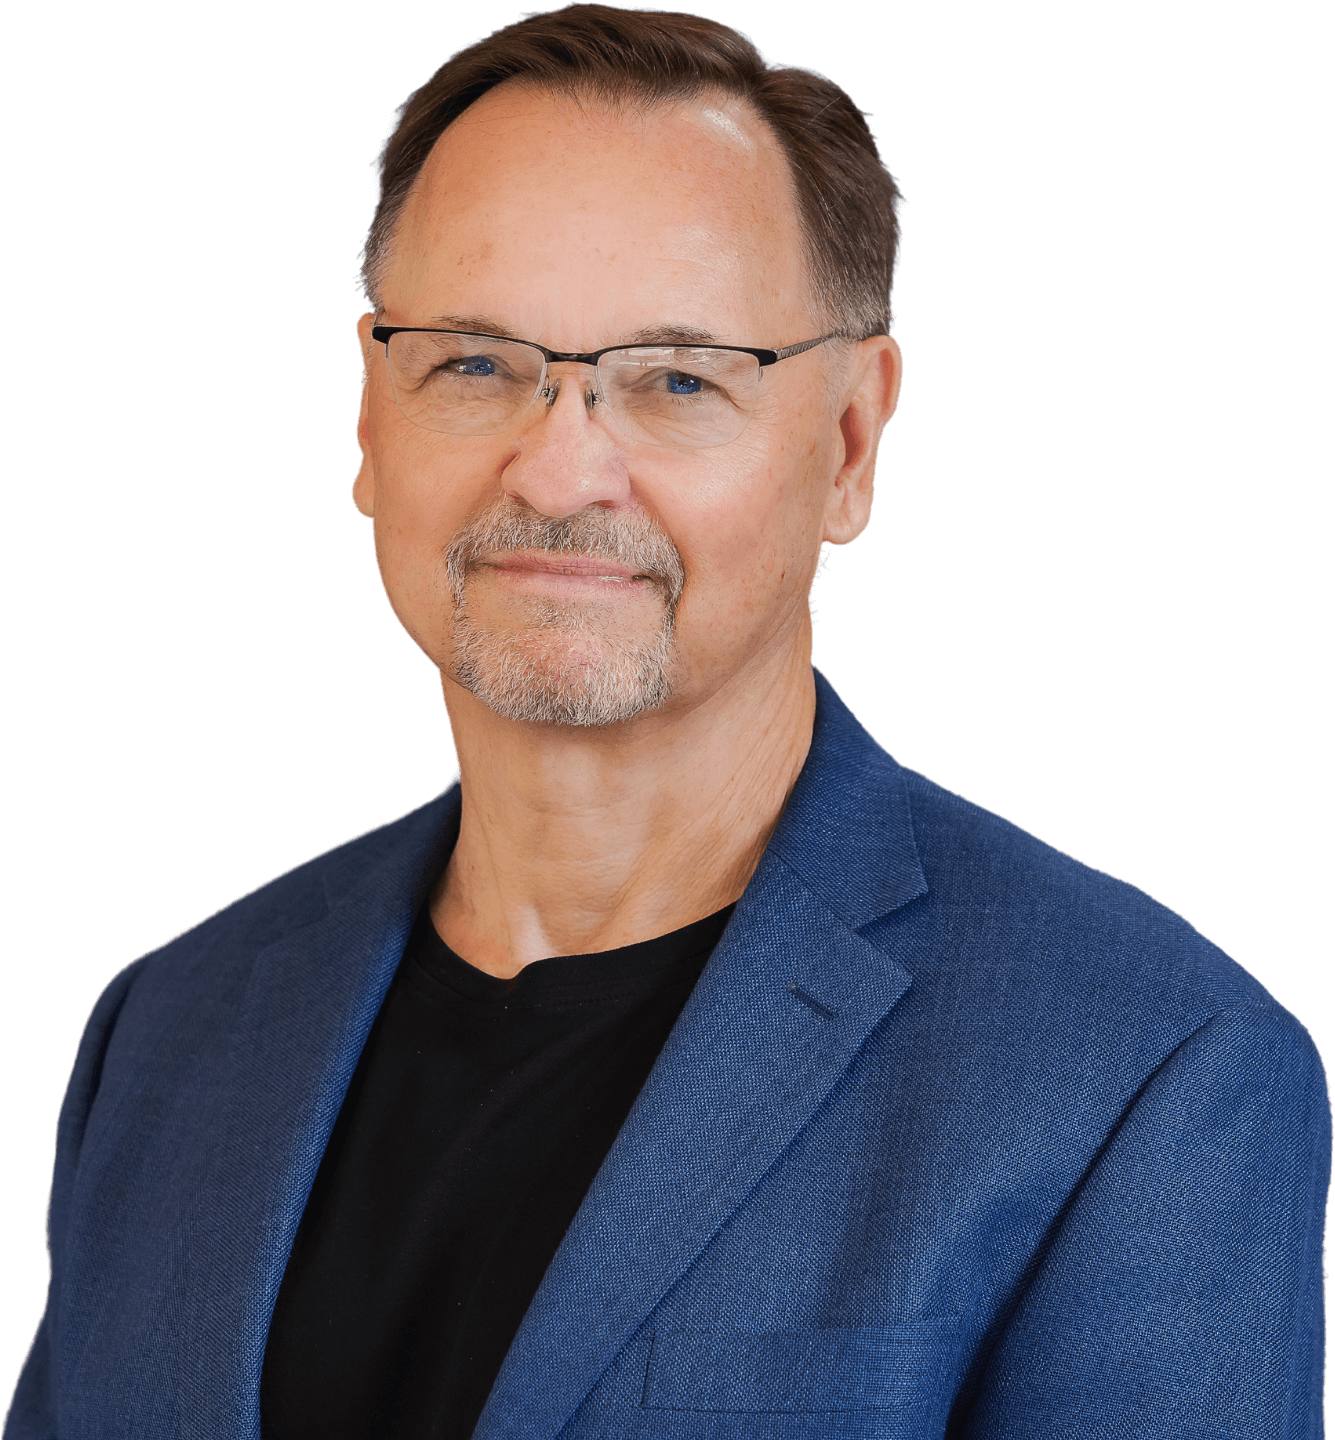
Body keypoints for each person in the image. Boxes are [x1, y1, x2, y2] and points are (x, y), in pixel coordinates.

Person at [8, 7, 1328, 1438]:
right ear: (370, 420)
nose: (562, 467)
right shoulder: (167, 1029)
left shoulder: (1144, 1064)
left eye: (678, 379)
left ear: (845, 447)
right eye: (471, 362)